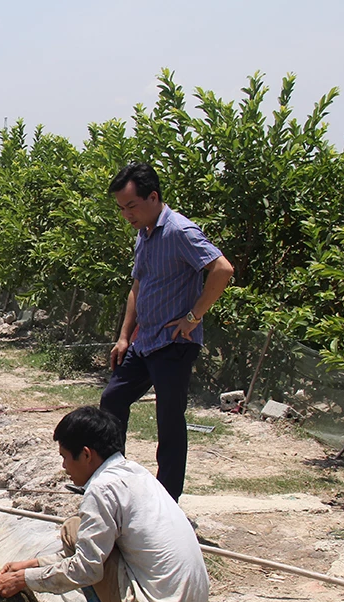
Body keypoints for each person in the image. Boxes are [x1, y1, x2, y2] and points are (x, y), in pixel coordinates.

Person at [0, 407, 209, 602]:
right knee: (87, 537)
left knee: (74, 529)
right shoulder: (137, 474)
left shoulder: (102, 490)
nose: (64, 467)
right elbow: (98, 553)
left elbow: (87, 569)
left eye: (65, 457)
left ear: (85, 455)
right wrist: (34, 564)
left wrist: (24, 580)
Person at [100, 163, 234, 501]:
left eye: (132, 206)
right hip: (144, 342)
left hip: (174, 342)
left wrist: (193, 316)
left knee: (169, 419)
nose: (127, 214)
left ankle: (167, 500)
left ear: (154, 197)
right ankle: (112, 480)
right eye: (121, 208)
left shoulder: (180, 231)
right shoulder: (144, 235)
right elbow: (138, 285)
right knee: (113, 398)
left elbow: (222, 269)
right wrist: (124, 335)